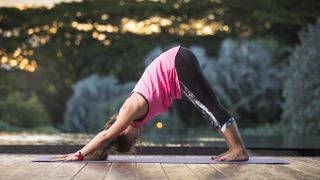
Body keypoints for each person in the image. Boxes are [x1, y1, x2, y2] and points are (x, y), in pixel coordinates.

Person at [54, 46, 249, 162]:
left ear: (121, 130)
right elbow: (106, 141)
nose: (138, 138)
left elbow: (105, 136)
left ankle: (238, 150)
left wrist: (78, 155)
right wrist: (98, 153)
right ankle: (234, 149)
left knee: (209, 107)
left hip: (177, 62)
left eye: (133, 139)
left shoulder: (129, 111)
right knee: (208, 107)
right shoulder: (135, 116)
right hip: (178, 60)